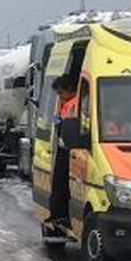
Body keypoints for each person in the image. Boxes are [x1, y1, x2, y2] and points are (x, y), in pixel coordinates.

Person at [49, 75, 78, 224]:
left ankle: (60, 215)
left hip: (68, 148)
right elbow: (59, 120)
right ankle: (57, 215)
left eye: (60, 93)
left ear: (69, 90)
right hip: (64, 145)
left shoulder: (74, 104)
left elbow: (67, 123)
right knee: (59, 183)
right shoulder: (67, 103)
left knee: (61, 184)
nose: (59, 97)